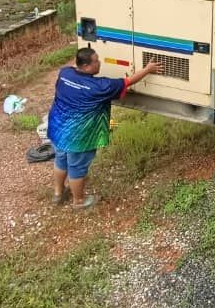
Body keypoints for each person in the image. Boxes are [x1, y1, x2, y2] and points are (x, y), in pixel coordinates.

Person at [47, 48, 161, 209]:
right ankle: (78, 201)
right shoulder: (99, 87)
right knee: (77, 167)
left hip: (58, 128)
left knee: (61, 159)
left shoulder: (65, 73)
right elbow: (128, 82)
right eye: (96, 61)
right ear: (86, 66)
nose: (99, 62)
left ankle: (58, 193)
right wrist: (148, 69)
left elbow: (75, 69)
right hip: (79, 134)